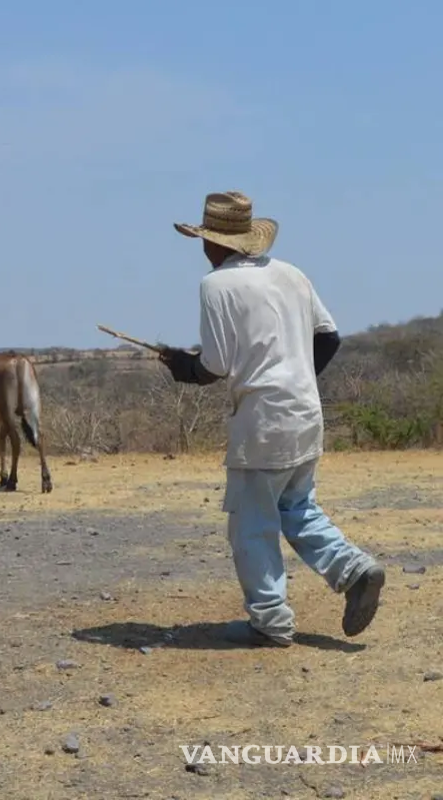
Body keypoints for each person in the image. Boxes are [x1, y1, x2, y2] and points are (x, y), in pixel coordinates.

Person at [158, 191, 384, 648]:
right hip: (306, 413)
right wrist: (295, 376)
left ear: (212, 241)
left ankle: (270, 622)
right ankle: (355, 570)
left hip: (261, 423)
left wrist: (183, 367)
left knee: (251, 524)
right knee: (297, 507)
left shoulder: (216, 285)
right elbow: (329, 337)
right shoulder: (291, 274)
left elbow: (215, 365)